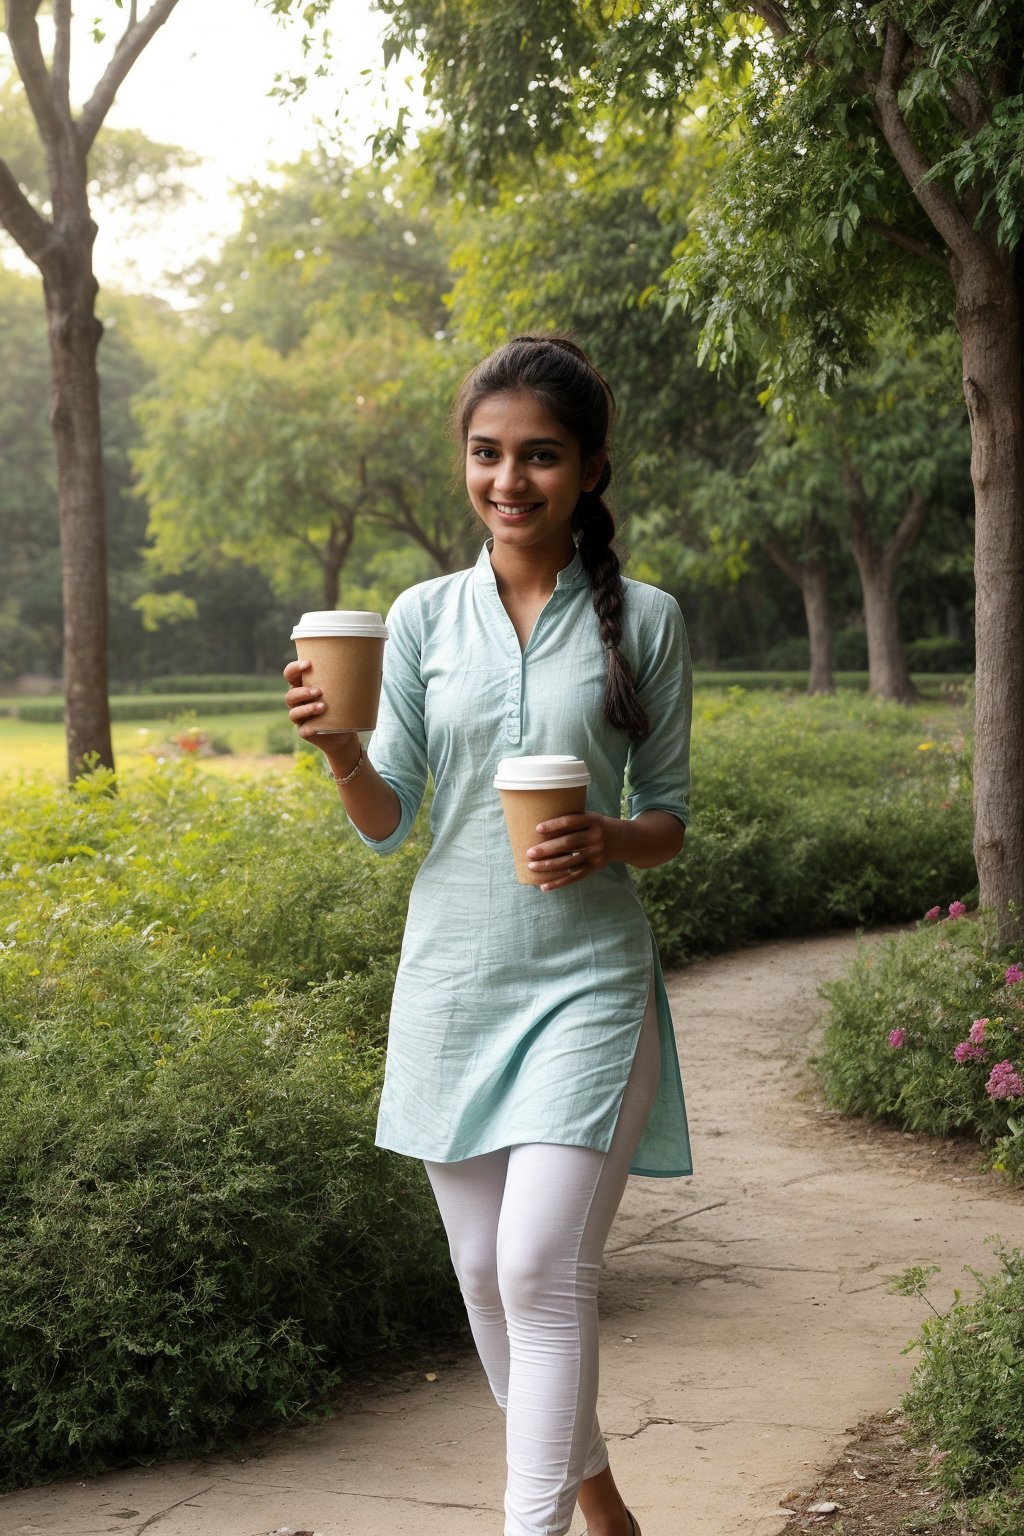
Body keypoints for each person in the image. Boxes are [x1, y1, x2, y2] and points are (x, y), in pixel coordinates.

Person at [284, 335, 692, 1536]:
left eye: (539, 456)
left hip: (588, 984)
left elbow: (670, 816)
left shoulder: (651, 620)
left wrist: (613, 839)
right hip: (453, 981)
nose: (509, 479)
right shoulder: (418, 617)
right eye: (486, 453)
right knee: (480, 1278)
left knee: (537, 1273)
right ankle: (602, 1504)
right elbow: (389, 819)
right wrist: (341, 752)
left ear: (590, 468)